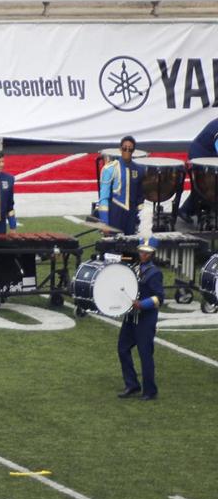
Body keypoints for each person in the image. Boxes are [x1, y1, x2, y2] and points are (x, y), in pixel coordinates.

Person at [118, 236, 164, 401]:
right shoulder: (134, 268)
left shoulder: (155, 273)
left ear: (152, 254)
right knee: (122, 349)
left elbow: (159, 298)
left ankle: (150, 390)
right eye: (141, 252)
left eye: (147, 253)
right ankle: (132, 384)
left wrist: (142, 304)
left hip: (145, 319)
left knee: (145, 355)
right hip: (131, 317)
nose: (143, 255)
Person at [98, 136, 145, 236]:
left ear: (133, 150)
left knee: (131, 244)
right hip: (115, 213)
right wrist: (104, 222)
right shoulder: (110, 169)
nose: (127, 151)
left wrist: (141, 221)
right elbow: (103, 198)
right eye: (124, 148)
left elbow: (140, 199)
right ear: (120, 149)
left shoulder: (139, 170)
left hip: (131, 216)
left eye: (130, 149)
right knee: (113, 245)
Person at [178, 117, 218, 224]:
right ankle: (185, 210)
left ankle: (208, 208)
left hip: (210, 153)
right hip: (199, 154)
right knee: (204, 186)